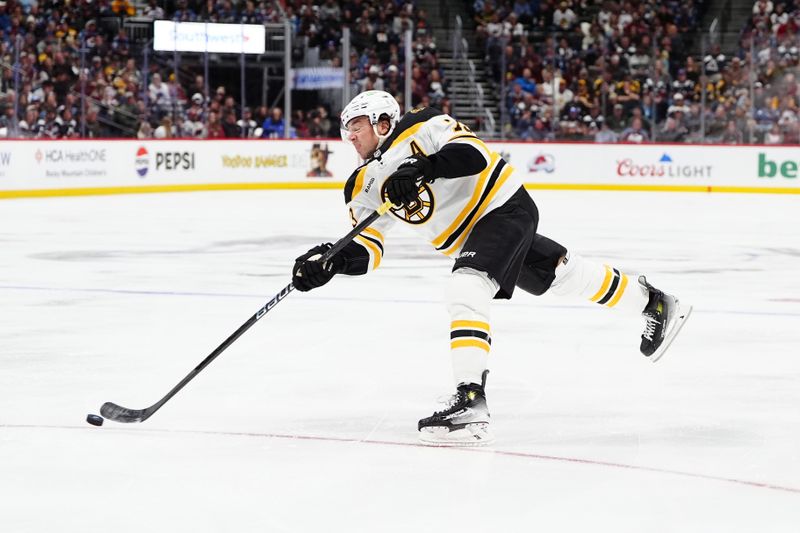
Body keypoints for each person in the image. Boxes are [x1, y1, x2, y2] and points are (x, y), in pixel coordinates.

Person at [291, 91, 692, 447]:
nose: (351, 137)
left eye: (357, 126)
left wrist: (422, 167)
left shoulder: (422, 124)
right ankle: (653, 303)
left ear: (382, 122)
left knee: (466, 287)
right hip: (476, 239)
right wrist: (331, 263)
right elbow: (369, 248)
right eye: (347, 130)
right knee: (562, 276)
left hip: (502, 209)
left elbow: (474, 154)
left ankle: (470, 400)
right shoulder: (361, 183)